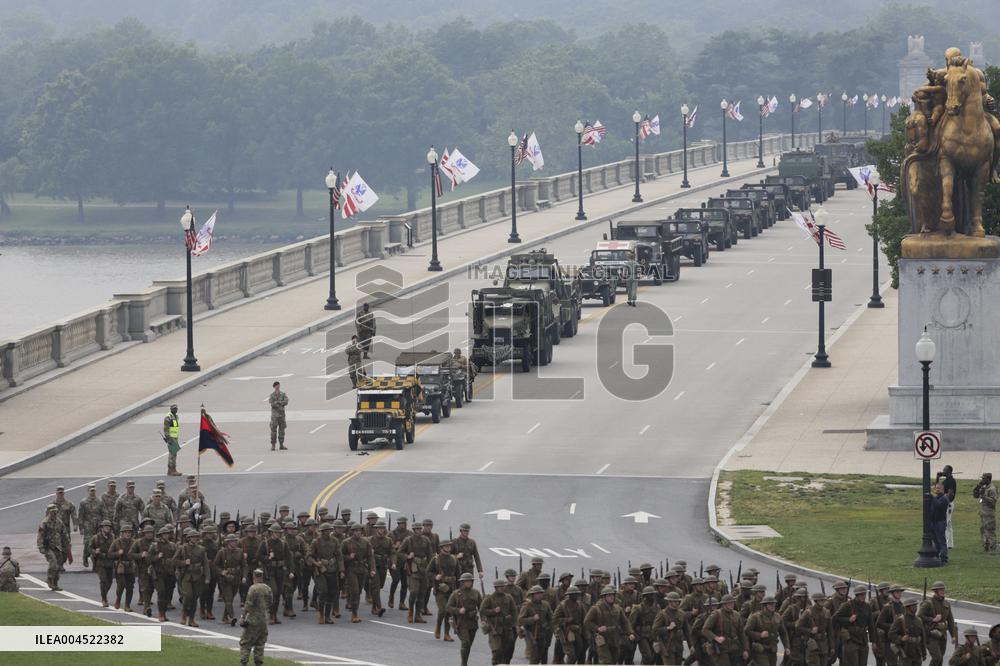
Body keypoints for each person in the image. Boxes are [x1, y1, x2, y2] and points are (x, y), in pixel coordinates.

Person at [919, 581, 958, 666]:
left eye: (943, 589)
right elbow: (919, 616)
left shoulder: (946, 604)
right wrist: (933, 619)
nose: (943, 591)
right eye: (941, 590)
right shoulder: (928, 603)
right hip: (931, 634)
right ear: (935, 591)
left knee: (940, 659)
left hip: (942, 634)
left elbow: (950, 620)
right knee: (937, 657)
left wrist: (953, 635)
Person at [482, 579, 519, 665]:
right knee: (497, 650)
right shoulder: (489, 598)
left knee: (507, 649)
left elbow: (514, 611)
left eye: (503, 586)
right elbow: (482, 610)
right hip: (495, 627)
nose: (502, 588)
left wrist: (515, 624)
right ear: (496, 588)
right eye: (500, 586)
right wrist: (494, 611)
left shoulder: (509, 597)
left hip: (507, 627)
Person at [240, 569, 272, 666]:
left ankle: (244, 663)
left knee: (246, 643)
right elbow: (270, 603)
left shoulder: (253, 589)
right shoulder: (268, 589)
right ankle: (258, 663)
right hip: (263, 619)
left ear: (254, 577)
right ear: (262, 577)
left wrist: (243, 616)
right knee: (260, 644)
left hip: (253, 619)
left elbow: (248, 604)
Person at [37, 504, 70, 591]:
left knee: (58, 566)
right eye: (52, 512)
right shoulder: (45, 522)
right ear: (49, 512)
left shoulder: (59, 521)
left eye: (55, 511)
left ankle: (55, 583)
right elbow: (40, 535)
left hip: (58, 546)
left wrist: (67, 543)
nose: (54, 513)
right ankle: (49, 578)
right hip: (48, 547)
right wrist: (41, 547)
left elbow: (64, 533)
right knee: (53, 563)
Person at [77, 484, 103, 569]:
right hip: (88, 527)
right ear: (88, 491)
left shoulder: (99, 501)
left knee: (97, 544)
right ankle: (85, 557)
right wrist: (81, 527)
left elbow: (103, 514)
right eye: (91, 491)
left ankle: (95, 562)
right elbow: (80, 515)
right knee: (88, 543)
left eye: (94, 491)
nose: (92, 492)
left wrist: (104, 526)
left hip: (97, 527)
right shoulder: (84, 502)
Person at [974, 472, 997, 553]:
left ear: (988, 479)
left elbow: (993, 502)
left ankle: (993, 548)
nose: (982, 480)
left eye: (984, 478)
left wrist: (984, 496)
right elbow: (975, 495)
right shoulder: (984, 487)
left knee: (990, 530)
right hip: (983, 512)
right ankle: (986, 546)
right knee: (983, 530)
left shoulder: (992, 489)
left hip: (989, 513)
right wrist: (977, 488)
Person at [936, 465, 957, 549]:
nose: (943, 471)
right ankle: (949, 544)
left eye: (944, 470)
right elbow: (937, 488)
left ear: (949, 471)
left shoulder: (951, 480)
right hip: (944, 503)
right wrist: (937, 477)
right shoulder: (946, 480)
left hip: (947, 504)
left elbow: (950, 493)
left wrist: (944, 501)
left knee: (945, 523)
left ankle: (946, 544)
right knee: (948, 524)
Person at [930, 482, 951, 563]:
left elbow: (938, 505)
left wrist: (932, 498)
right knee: (935, 541)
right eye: (936, 488)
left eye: (939, 488)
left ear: (943, 489)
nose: (937, 489)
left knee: (941, 541)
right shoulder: (936, 497)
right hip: (933, 522)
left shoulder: (944, 498)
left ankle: (944, 558)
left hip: (940, 522)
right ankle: (936, 556)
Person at [268, 382, 289, 451]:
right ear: (274, 387)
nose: (278, 387)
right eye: (276, 386)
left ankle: (281, 445)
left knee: (282, 430)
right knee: (273, 430)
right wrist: (280, 403)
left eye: (279, 385)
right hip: (274, 416)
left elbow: (286, 401)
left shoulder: (283, 394)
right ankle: (273, 445)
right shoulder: (272, 395)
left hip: (282, 415)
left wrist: (278, 402)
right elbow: (272, 403)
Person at [163, 404, 182, 476]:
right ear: (171, 409)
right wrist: (169, 439)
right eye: (174, 409)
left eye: (176, 408)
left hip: (175, 438)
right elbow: (166, 429)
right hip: (171, 438)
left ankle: (171, 470)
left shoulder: (175, 416)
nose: (175, 410)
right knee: (172, 454)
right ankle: (172, 470)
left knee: (174, 453)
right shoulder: (168, 417)